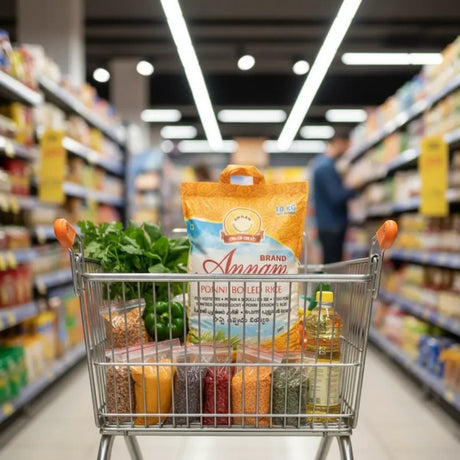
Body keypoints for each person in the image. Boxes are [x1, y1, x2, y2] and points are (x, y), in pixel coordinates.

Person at [312, 134, 355, 264]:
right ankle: (329, 285)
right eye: (346, 145)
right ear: (337, 143)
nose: (347, 149)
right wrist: (356, 188)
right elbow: (336, 197)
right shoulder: (326, 167)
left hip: (328, 224)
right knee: (333, 264)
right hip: (332, 225)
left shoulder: (323, 165)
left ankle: (328, 285)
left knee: (330, 263)